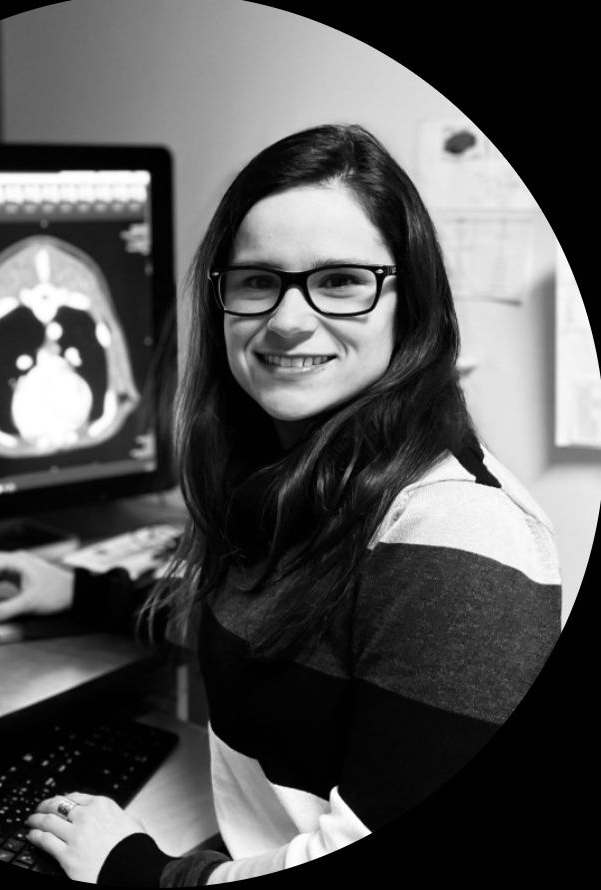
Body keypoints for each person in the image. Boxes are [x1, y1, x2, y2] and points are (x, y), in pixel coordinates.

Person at [0, 124, 562, 886]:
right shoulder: (301, 476)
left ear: (411, 301)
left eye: (339, 280)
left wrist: (138, 869)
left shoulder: (460, 533)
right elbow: (273, 632)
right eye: (257, 280)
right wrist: (73, 587)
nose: (289, 319)